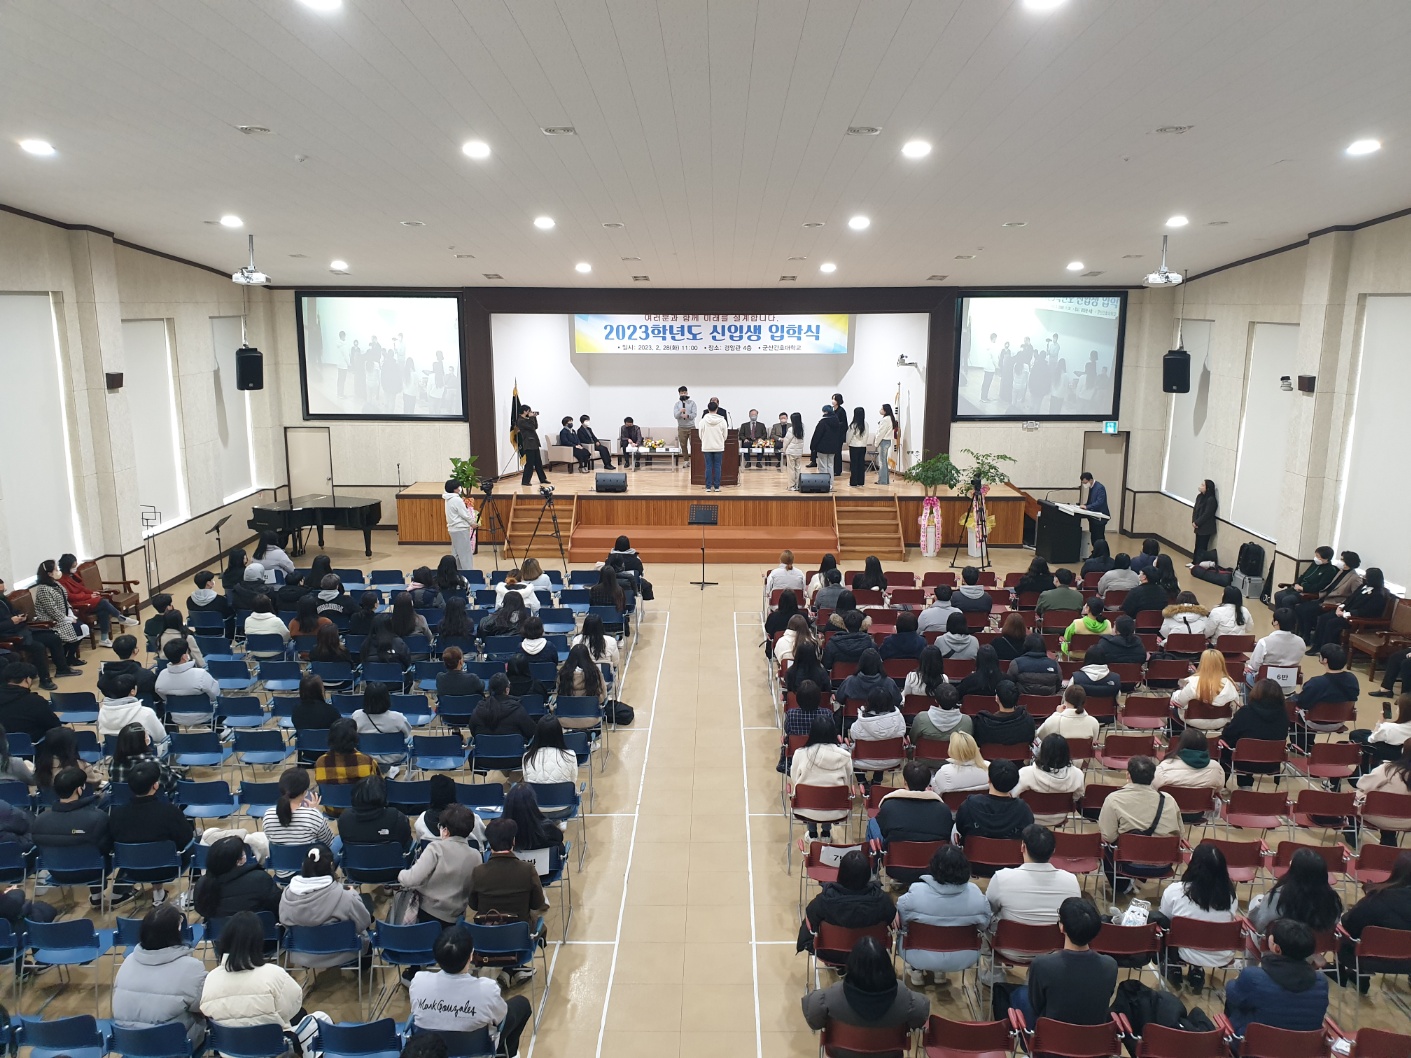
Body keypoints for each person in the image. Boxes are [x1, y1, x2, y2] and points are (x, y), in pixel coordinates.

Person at [198, 910, 326, 1041]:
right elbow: (293, 1007)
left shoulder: (211, 978)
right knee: (320, 1018)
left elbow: (207, 1014)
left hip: (229, 1050)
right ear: (258, 941)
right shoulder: (273, 974)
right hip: (273, 1047)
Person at [408, 922, 532, 1055]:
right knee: (522, 1005)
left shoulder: (418, 982)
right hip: (479, 1048)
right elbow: (501, 1018)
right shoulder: (487, 989)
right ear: (471, 956)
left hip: (432, 1052)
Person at [1011, 897, 1119, 1028]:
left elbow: (1036, 1004)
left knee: (1019, 994)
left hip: (1050, 1040)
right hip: (1092, 1041)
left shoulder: (1042, 964)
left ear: (1062, 927)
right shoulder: (1110, 965)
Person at [112, 904, 208, 1049]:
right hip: (172, 1047)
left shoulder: (128, 962)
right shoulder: (191, 968)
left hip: (131, 1045)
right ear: (175, 933)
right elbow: (205, 1007)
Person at [896, 845, 992, 985]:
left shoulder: (915, 893)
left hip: (916, 954)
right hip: (964, 956)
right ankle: (939, 972)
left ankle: (916, 971)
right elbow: (983, 925)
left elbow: (903, 922)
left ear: (933, 867)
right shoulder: (977, 896)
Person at [801, 935, 929, 1031]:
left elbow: (813, 1019)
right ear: (886, 965)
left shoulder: (832, 996)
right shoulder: (905, 997)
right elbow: (920, 1017)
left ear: (851, 965)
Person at [1225, 918, 1329, 1036]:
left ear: (1277, 948)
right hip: (1301, 1049)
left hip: (1256, 1046)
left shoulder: (1253, 977)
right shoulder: (1321, 982)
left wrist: (1234, 983)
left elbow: (1232, 993)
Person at [276, 843, 372, 967]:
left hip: (303, 954)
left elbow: (285, 923)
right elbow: (364, 922)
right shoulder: (345, 897)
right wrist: (355, 896)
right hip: (344, 952)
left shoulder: (286, 896)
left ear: (303, 865)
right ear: (331, 866)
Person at [1159, 843, 1239, 990]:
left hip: (1185, 951)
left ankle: (1173, 964)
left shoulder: (1175, 891)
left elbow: (1164, 919)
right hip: (1221, 954)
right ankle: (1196, 970)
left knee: (1162, 923)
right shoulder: (1231, 897)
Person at [985, 825, 1082, 947]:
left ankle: (993, 966)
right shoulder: (1071, 881)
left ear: (1023, 847)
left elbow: (988, 910)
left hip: (1008, 948)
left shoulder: (1001, 878)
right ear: (1053, 851)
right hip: (1052, 950)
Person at [31, 765, 111, 905]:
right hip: (93, 871)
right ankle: (98, 895)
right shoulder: (97, 817)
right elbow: (106, 847)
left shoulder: (40, 820)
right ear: (79, 789)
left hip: (56, 872)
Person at [398, 802, 482, 927]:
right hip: (455, 918)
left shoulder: (435, 848)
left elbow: (411, 879)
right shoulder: (476, 856)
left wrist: (400, 874)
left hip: (426, 915)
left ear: (445, 830)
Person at [1337, 851, 1411, 993]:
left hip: (1367, 958)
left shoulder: (1378, 898)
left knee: (1342, 931)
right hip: (1407, 962)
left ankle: (1355, 975)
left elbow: (1349, 924)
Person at [797, 848, 896, 953]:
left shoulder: (824, 900)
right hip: (870, 954)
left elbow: (810, 923)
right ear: (867, 874)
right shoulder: (882, 900)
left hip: (831, 953)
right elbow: (893, 923)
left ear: (841, 873)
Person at [1099, 757, 1181, 879]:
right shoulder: (1169, 800)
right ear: (1153, 777)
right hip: (1163, 865)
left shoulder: (1113, 799)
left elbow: (1108, 837)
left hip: (1129, 864)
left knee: (1103, 842)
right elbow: (1180, 834)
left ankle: (1122, 887)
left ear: (1128, 775)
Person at [470, 817, 550, 931]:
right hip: (520, 934)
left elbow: (473, 905)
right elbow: (537, 904)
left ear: (490, 843)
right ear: (513, 841)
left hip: (487, 934)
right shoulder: (527, 869)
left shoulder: (478, 871)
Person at [1248, 847, 1343, 936]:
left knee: (1257, 901)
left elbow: (1260, 926)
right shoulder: (1332, 900)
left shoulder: (1279, 896)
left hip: (1277, 947)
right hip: (1313, 948)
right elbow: (1332, 924)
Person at [790, 713, 854, 840]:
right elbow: (847, 780)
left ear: (812, 732)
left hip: (806, 807)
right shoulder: (845, 756)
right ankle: (826, 833)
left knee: (810, 792)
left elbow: (795, 779)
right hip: (836, 808)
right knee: (829, 794)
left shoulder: (800, 753)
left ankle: (812, 834)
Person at [56, 553, 137, 647]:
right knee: (103, 602)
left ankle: (104, 639)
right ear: (67, 566)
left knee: (103, 610)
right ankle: (120, 617)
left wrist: (91, 593)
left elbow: (82, 588)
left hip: (84, 599)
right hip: (77, 604)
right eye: (73, 566)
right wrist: (88, 597)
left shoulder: (72, 575)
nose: (75, 567)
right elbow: (70, 597)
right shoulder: (61, 580)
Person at [193, 835, 281, 919]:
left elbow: (201, 910)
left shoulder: (201, 884)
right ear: (240, 860)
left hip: (219, 934)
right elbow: (278, 907)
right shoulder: (261, 879)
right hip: (260, 932)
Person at [1221, 680, 1290, 786]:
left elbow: (1228, 735)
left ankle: (1224, 786)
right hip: (1272, 763)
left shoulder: (1245, 712)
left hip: (1243, 762)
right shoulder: (1283, 715)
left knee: (1225, 745)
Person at [873, 762, 954, 846]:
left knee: (873, 822)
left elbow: (884, 831)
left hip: (896, 857)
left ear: (905, 782)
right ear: (928, 783)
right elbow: (947, 835)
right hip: (934, 857)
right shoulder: (944, 810)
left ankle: (875, 857)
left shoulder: (888, 806)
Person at [1310, 567, 1388, 653]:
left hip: (1356, 619)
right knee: (1323, 618)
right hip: (1345, 612)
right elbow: (1350, 599)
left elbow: (1366, 611)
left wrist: (1345, 614)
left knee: (1332, 623)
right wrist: (1340, 607)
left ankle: (1328, 650)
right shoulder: (1363, 586)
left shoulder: (1378, 595)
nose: (1364, 577)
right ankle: (1316, 645)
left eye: (1366, 576)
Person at [954, 759, 1034, 842]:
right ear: (1015, 782)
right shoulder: (1024, 810)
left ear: (989, 779)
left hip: (975, 853)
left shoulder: (969, 805)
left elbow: (960, 828)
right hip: (1010, 854)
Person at [313, 718, 381, 811]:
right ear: (355, 737)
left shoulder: (320, 762)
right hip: (361, 810)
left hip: (332, 809)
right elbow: (377, 785)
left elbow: (321, 785)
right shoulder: (366, 761)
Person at [1015, 735, 1084, 826]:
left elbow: (1013, 796)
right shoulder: (1078, 775)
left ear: (1042, 752)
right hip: (1059, 817)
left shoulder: (1025, 773)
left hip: (1027, 817)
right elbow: (1076, 797)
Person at [1293, 550, 1363, 640]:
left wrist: (1342, 605)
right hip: (1324, 597)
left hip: (1333, 603)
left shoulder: (1355, 578)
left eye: (1342, 559)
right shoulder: (1341, 571)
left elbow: (1354, 596)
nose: (1340, 561)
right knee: (1300, 608)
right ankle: (1302, 633)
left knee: (1307, 611)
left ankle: (1306, 638)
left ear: (1348, 562)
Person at [262, 767, 334, 850]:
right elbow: (328, 842)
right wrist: (313, 811)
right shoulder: (314, 816)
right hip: (308, 861)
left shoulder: (268, 815)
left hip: (280, 862)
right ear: (304, 792)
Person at [1354, 740, 1411, 845]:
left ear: (1403, 751)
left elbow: (1362, 784)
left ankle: (1352, 832)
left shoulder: (1388, 769)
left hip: (1378, 816)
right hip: (1408, 821)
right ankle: (1388, 838)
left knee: (1357, 795)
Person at [850, 687, 907, 785]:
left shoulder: (861, 721)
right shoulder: (900, 719)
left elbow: (853, 735)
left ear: (869, 701)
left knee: (853, 750)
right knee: (883, 749)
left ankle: (862, 782)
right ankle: (877, 781)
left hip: (863, 760)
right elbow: (903, 732)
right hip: (892, 760)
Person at [30, 559, 83, 667]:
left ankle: (70, 657)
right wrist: (67, 619)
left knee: (82, 627)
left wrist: (71, 614)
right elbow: (52, 610)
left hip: (63, 617)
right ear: (49, 573)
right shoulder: (43, 589)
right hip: (50, 621)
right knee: (77, 628)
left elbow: (65, 600)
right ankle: (63, 657)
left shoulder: (56, 584)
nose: (58, 571)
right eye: (56, 569)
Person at [338, 774, 412, 848]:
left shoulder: (344, 819)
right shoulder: (397, 818)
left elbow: (344, 841)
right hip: (391, 859)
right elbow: (406, 842)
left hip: (355, 859)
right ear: (383, 796)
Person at [0, 662, 64, 742]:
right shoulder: (35, 701)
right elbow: (54, 725)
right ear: (27, 679)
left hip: (3, 748)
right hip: (33, 746)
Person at [1245, 608, 1307, 687]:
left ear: (1276, 622)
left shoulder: (1264, 642)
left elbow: (1254, 666)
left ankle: (1251, 699)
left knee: (1247, 673)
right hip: (1289, 685)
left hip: (1265, 686)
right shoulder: (1301, 642)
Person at [1154, 728, 1228, 794]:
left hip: (1171, 808)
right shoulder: (1217, 768)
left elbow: (1154, 787)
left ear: (1180, 744)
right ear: (1205, 745)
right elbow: (1219, 788)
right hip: (1203, 808)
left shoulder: (1164, 767)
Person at [155, 638, 220, 703]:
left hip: (174, 712)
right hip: (204, 712)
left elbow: (164, 698)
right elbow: (215, 695)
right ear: (184, 657)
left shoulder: (162, 676)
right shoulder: (201, 674)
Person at [971, 682, 1036, 747]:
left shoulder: (981, 723)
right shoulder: (1028, 721)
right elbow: (1030, 740)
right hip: (1019, 757)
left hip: (989, 756)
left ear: (997, 698)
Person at [837, 650, 902, 714]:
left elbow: (839, 698)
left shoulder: (849, 681)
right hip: (883, 721)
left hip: (853, 720)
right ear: (879, 663)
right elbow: (897, 700)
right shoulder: (889, 683)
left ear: (861, 663)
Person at [929, 729, 991, 795]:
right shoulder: (989, 768)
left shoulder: (944, 772)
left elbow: (937, 794)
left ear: (952, 749)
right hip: (981, 805)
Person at [523, 715, 577, 785]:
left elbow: (527, 781)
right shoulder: (570, 756)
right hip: (562, 795)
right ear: (559, 733)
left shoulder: (527, 757)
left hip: (536, 796)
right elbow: (573, 782)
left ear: (537, 734)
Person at [1036, 685, 1100, 741]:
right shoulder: (1094, 722)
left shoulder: (1053, 720)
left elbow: (1038, 736)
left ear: (1065, 700)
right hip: (1083, 755)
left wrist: (1057, 714)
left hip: (1060, 754)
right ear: (1084, 701)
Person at [698, 398, 728, 492]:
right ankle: (717, 487)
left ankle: (708, 487)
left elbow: (700, 434)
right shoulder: (722, 421)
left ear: (708, 409)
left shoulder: (703, 421)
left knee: (708, 466)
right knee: (717, 466)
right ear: (717, 409)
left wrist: (705, 441)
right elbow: (725, 435)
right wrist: (721, 441)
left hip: (707, 446)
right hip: (718, 446)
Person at [515, 405, 549, 485]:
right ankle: (525, 481)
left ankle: (542, 479)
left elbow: (535, 426)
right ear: (525, 411)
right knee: (530, 463)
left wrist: (534, 417)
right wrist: (531, 417)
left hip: (534, 443)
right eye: (529, 411)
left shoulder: (527, 419)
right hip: (529, 444)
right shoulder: (520, 421)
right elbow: (531, 427)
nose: (530, 413)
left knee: (538, 462)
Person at [809, 404, 844, 480]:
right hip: (833, 447)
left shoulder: (823, 422)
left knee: (822, 466)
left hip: (822, 448)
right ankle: (830, 483)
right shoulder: (837, 422)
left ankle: (824, 483)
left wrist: (812, 446)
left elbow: (817, 435)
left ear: (825, 412)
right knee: (830, 465)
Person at [1078, 471, 1109, 545]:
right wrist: (1084, 506)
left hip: (1100, 517)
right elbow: (1091, 502)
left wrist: (1087, 507)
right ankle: (1095, 552)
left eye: (1085, 483)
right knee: (1093, 536)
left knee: (1099, 537)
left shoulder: (1100, 487)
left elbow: (1100, 502)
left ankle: (1101, 553)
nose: (1084, 485)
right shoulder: (1092, 487)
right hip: (1093, 517)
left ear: (1090, 480)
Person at [1192, 479, 1219, 557]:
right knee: (1197, 545)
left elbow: (1207, 514)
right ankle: (1194, 561)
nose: (1201, 486)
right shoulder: (1199, 496)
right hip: (1198, 526)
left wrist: (1197, 522)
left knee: (1202, 546)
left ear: (1208, 488)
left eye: (1203, 485)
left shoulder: (1211, 500)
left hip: (1206, 527)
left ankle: (1199, 563)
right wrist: (1194, 521)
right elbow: (1195, 510)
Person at [783, 411, 809, 489]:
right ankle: (798, 485)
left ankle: (791, 486)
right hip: (798, 452)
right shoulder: (802, 428)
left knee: (791, 469)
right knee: (798, 468)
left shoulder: (791, 429)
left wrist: (784, 450)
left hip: (791, 452)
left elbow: (786, 441)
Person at [845, 407, 869, 487]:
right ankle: (861, 482)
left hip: (854, 446)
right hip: (863, 446)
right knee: (861, 464)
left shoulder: (853, 425)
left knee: (854, 464)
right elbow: (867, 435)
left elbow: (849, 436)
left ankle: (853, 482)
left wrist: (848, 443)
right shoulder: (866, 424)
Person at [874, 404, 897, 485]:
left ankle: (882, 481)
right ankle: (885, 480)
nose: (880, 410)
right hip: (888, 441)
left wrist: (876, 443)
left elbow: (881, 433)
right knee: (884, 461)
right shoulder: (891, 418)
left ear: (885, 410)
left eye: (882, 409)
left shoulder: (885, 420)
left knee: (882, 462)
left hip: (883, 441)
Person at [673, 384, 698, 455]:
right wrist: (680, 411)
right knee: (683, 445)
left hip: (691, 427)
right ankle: (686, 460)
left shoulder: (692, 403)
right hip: (681, 428)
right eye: (681, 393)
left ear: (687, 393)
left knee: (693, 445)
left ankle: (694, 460)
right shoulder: (677, 404)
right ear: (679, 394)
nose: (683, 394)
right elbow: (676, 416)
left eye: (684, 392)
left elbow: (694, 414)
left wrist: (688, 415)